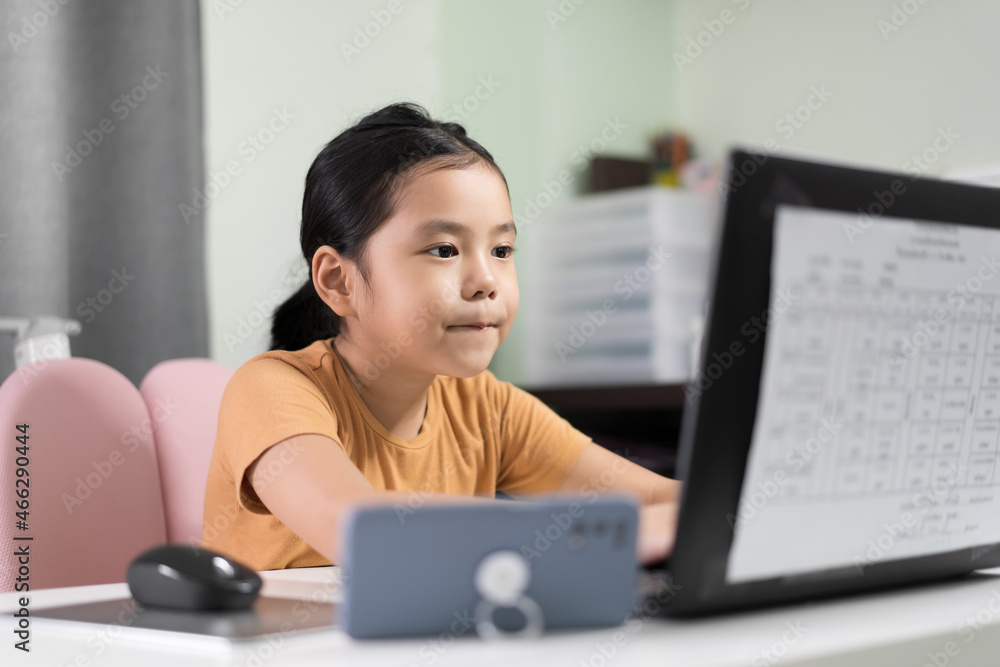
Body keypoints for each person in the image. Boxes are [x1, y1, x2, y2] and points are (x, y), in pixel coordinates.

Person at [202, 102, 680, 571]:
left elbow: (669, 499)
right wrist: (617, 535)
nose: (486, 279)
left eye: (501, 249)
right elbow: (370, 537)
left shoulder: (487, 409)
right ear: (338, 281)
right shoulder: (271, 390)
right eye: (445, 249)